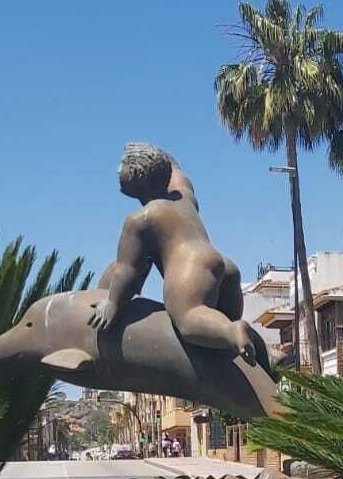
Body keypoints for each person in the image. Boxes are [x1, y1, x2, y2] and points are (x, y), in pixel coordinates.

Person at [88, 143, 252, 357]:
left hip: (190, 267)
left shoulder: (140, 220)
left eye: (123, 163)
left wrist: (112, 303)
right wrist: (157, 152)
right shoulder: (185, 198)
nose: (118, 169)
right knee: (223, 346)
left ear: (137, 173)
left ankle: (230, 331)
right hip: (224, 265)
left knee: (188, 317)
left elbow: (127, 270)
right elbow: (177, 171)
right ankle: (264, 352)